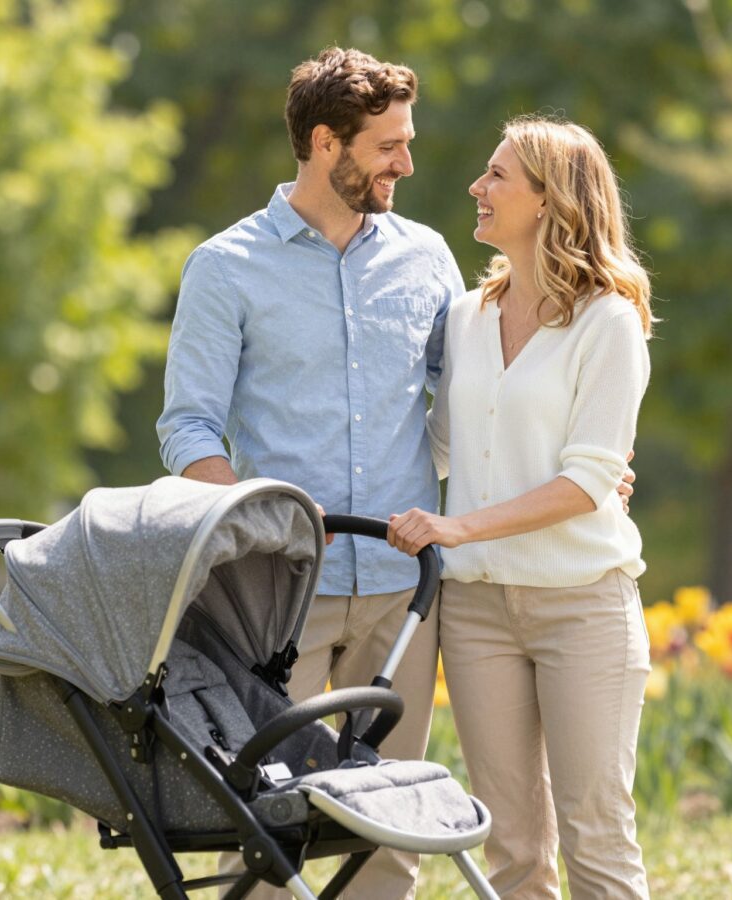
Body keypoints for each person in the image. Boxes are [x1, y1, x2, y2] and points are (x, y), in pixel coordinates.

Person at [156, 48, 461, 899]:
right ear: (327, 144)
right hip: (277, 592)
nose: (407, 161)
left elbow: (472, 405)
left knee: (391, 820)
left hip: (402, 585)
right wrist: (263, 523)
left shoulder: (428, 257)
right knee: (258, 814)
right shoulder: (226, 266)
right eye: (389, 145)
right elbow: (187, 427)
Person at [387, 116, 653, 898]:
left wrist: (458, 526)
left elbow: (587, 481)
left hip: (584, 607)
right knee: (510, 845)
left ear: (548, 200)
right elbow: (438, 446)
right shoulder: (467, 318)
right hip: (476, 613)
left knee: (596, 832)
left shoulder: (609, 321)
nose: (477, 186)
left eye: (497, 174)